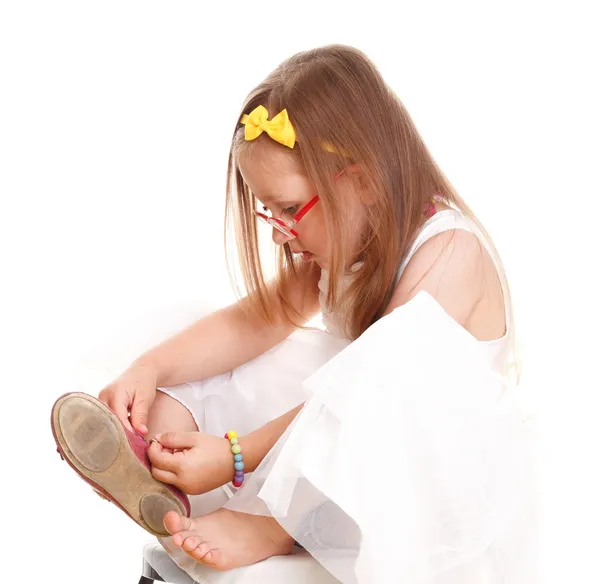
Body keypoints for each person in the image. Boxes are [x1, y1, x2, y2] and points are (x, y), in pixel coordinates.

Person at [51, 44, 535, 583]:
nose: (280, 231)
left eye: (289, 209)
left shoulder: (448, 254)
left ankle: (275, 527)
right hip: (349, 431)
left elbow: (377, 395)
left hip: (432, 482)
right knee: (221, 361)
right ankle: (161, 468)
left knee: (368, 376)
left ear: (364, 182)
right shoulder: (346, 240)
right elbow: (255, 322)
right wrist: (152, 369)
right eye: (269, 212)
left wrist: (239, 454)